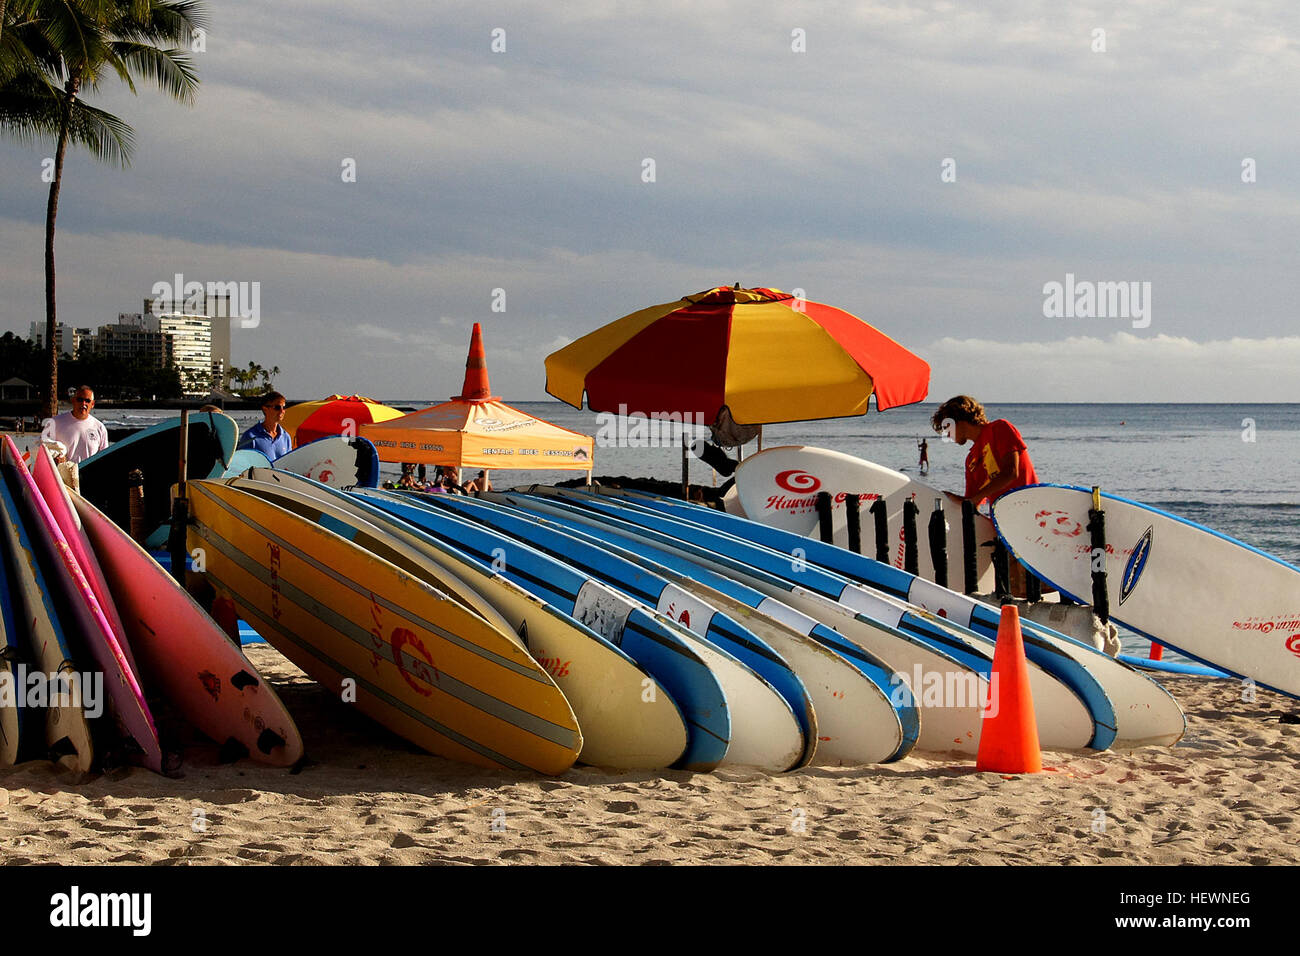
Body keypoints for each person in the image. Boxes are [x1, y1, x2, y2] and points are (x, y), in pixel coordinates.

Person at [930, 395, 1038, 507]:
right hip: (1002, 520)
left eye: (947, 427)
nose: (946, 434)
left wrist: (971, 500)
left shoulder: (999, 428)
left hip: (1032, 511)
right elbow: (971, 503)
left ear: (960, 420)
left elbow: (1011, 472)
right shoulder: (971, 460)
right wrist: (948, 498)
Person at [41, 385, 110, 464]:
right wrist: (54, 457)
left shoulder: (100, 428)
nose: (83, 403)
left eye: (87, 400)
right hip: (61, 474)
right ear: (73, 400)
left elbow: (105, 458)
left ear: (93, 404)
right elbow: (41, 448)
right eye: (80, 399)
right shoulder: (55, 422)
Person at [238, 391, 292, 463]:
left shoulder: (286, 437)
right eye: (277, 407)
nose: (282, 411)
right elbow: (241, 464)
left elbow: (289, 464)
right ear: (265, 409)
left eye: (284, 407)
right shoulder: (250, 436)